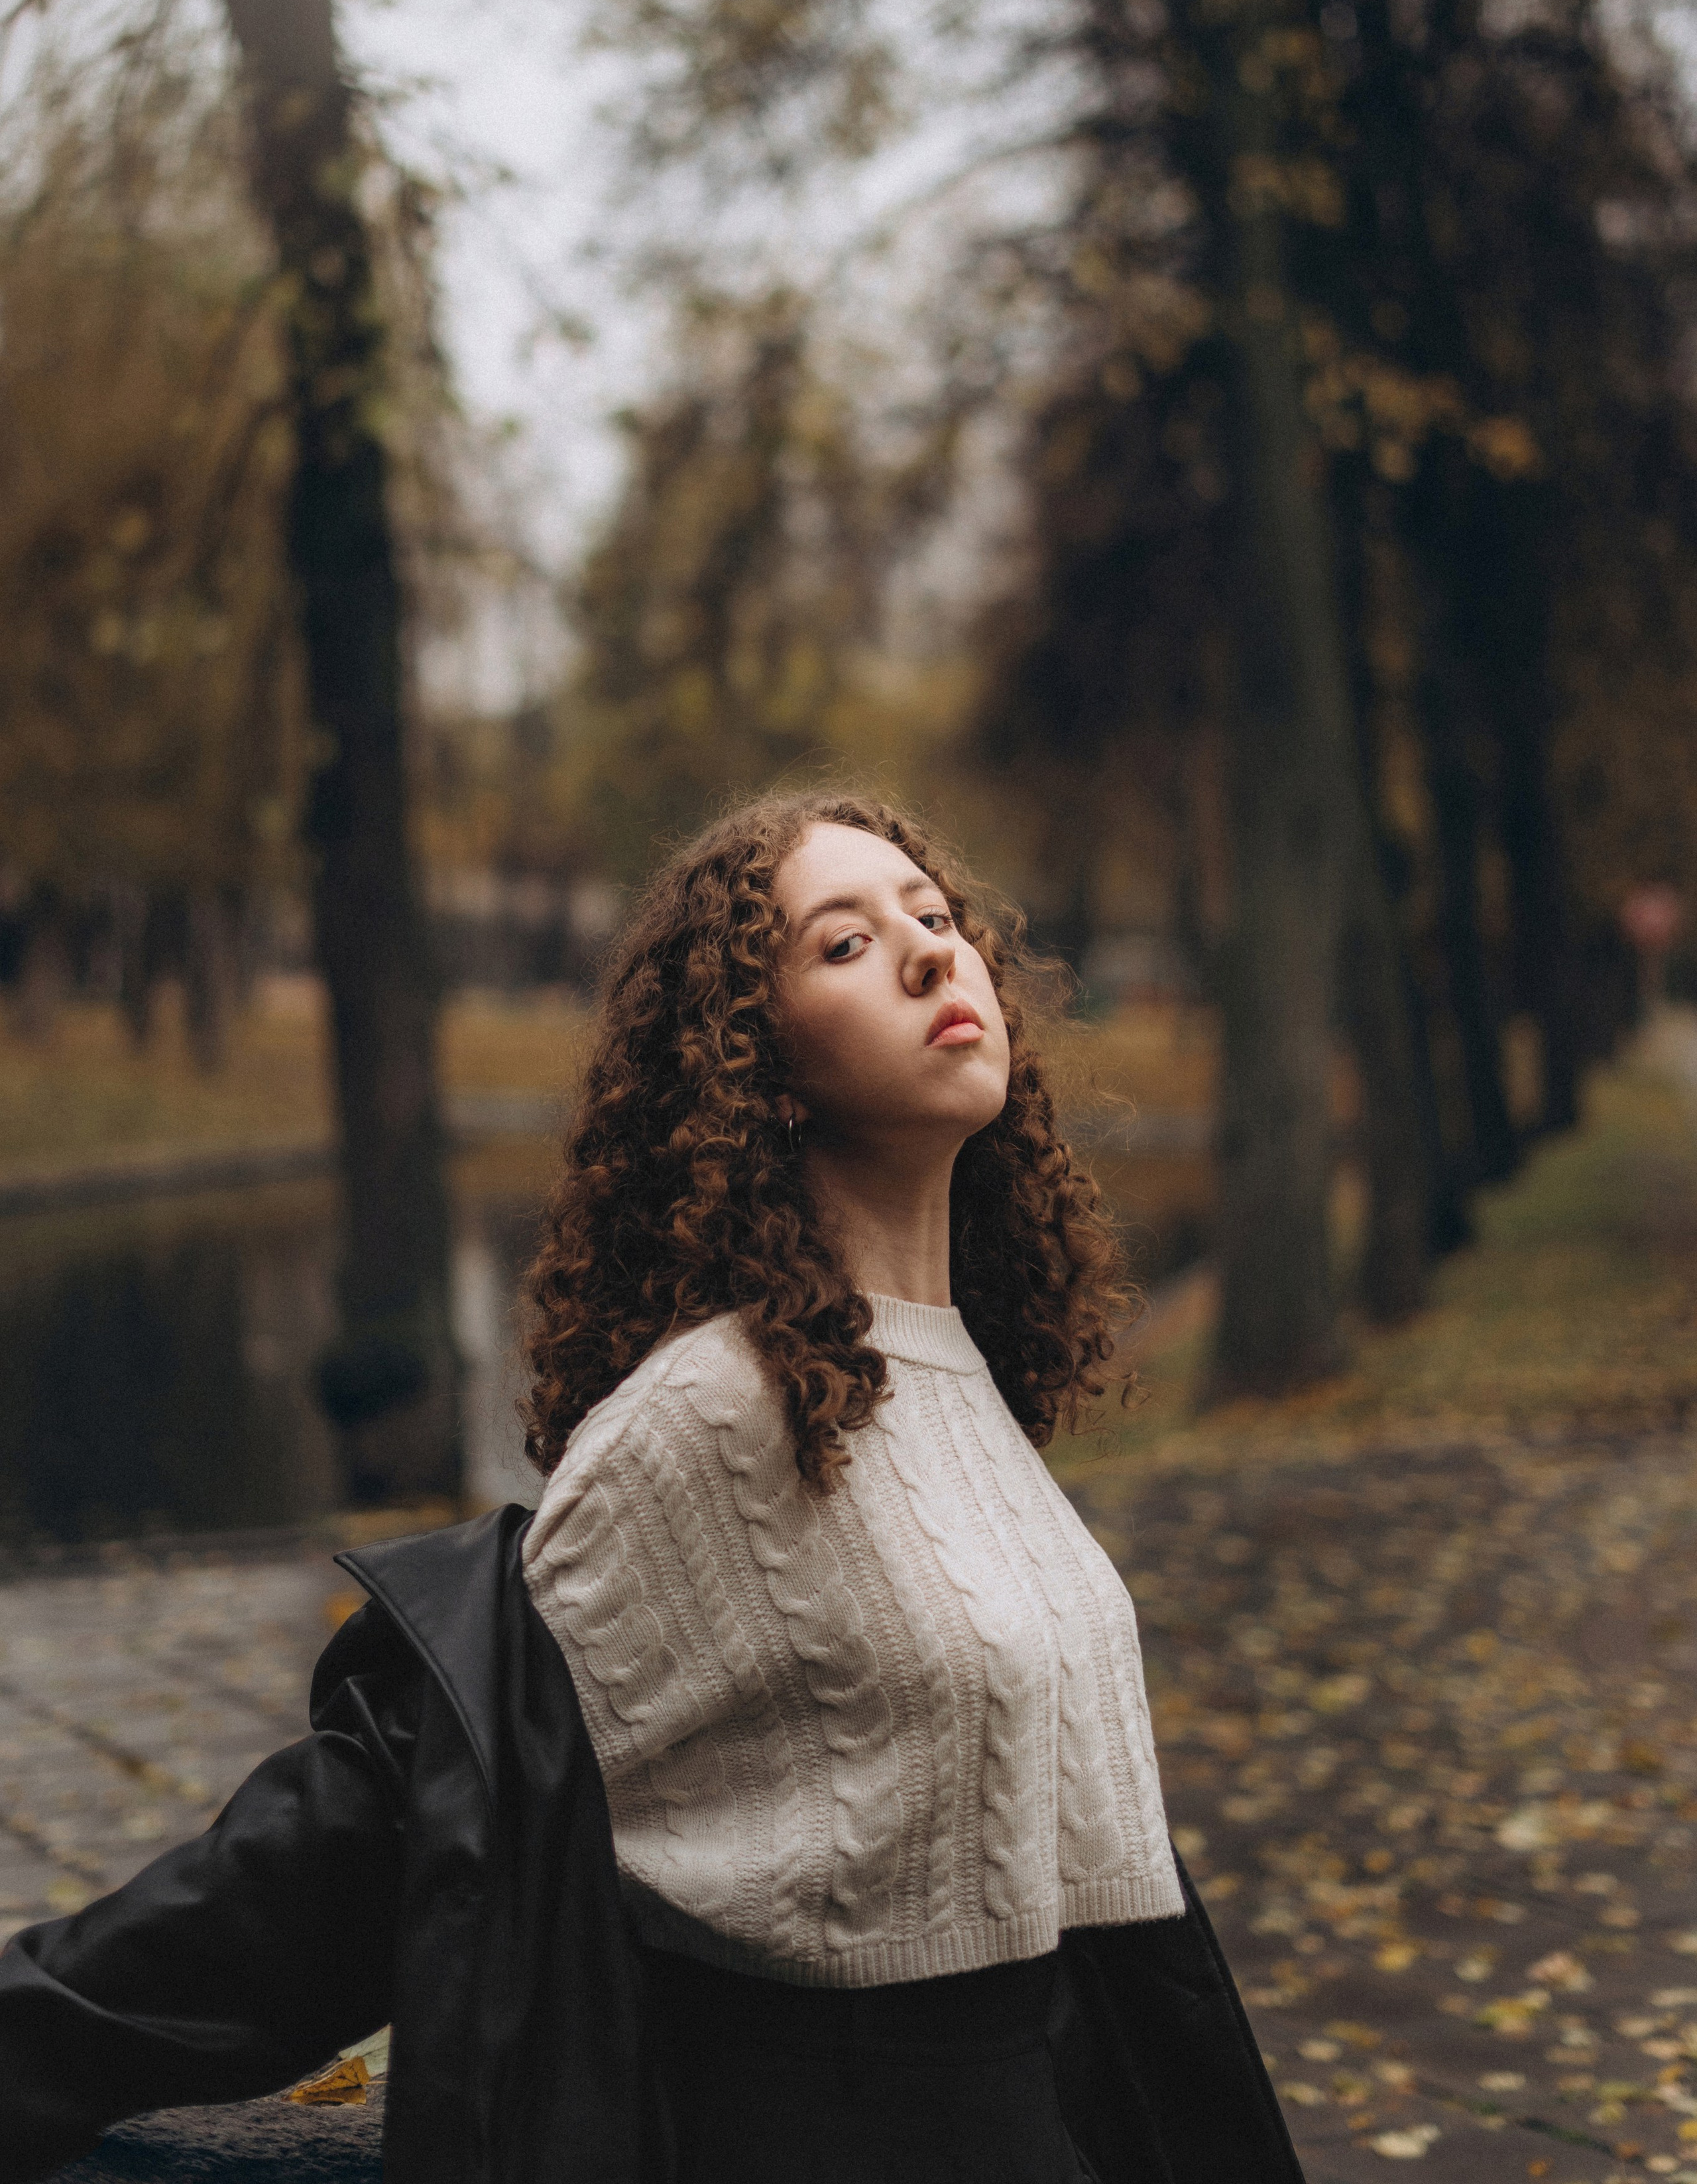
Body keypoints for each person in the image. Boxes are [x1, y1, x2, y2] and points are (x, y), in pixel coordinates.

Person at [0, 792, 1303, 2184]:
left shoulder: (959, 1378)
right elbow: (392, 1815)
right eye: (844, 944)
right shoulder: (712, 1414)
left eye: (933, 917)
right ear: (757, 1059)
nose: (930, 954)